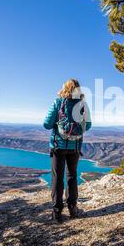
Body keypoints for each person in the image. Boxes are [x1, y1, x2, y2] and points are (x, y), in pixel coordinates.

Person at [43, 79, 91, 222]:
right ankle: (73, 209)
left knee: (57, 178)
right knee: (72, 176)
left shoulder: (58, 102)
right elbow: (88, 126)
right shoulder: (83, 104)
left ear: (64, 88)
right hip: (75, 147)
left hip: (58, 146)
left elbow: (46, 124)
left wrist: (58, 124)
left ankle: (57, 212)